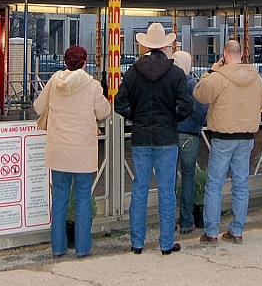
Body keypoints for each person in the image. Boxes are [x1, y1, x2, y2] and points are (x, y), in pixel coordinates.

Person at [114, 22, 194, 255]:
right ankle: (166, 243)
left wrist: (135, 116)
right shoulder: (175, 73)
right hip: (167, 137)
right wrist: (173, 117)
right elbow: (187, 105)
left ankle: (137, 243)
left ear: (145, 46)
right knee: (166, 190)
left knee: (139, 189)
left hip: (140, 136)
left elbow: (120, 104)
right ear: (166, 46)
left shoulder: (132, 72)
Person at [33, 46, 111, 258]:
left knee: (59, 199)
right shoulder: (93, 86)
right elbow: (104, 112)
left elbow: (38, 107)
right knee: (83, 199)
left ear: (65, 62)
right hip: (83, 153)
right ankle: (83, 248)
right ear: (85, 63)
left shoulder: (54, 82)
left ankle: (58, 248)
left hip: (58, 151)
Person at [193, 40, 262, 244]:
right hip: (247, 137)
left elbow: (200, 94)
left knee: (215, 184)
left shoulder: (218, 77)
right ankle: (237, 231)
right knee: (241, 184)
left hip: (223, 136)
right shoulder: (256, 77)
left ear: (224, 55)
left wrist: (210, 71)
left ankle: (211, 232)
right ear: (242, 55)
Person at [173, 50, 208, 235]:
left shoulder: (169, 83)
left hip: (169, 134)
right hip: (189, 135)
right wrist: (198, 124)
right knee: (188, 178)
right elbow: (201, 109)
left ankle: (169, 219)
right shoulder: (193, 84)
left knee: (168, 178)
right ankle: (186, 221)